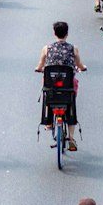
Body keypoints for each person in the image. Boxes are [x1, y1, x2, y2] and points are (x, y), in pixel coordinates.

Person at [36, 20, 86, 149]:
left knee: (46, 91)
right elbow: (79, 65)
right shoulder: (73, 48)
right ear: (67, 34)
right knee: (71, 104)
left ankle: (48, 121)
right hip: (68, 86)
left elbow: (41, 65)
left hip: (51, 85)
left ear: (54, 33)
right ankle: (71, 137)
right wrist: (83, 67)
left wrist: (39, 68)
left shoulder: (47, 48)